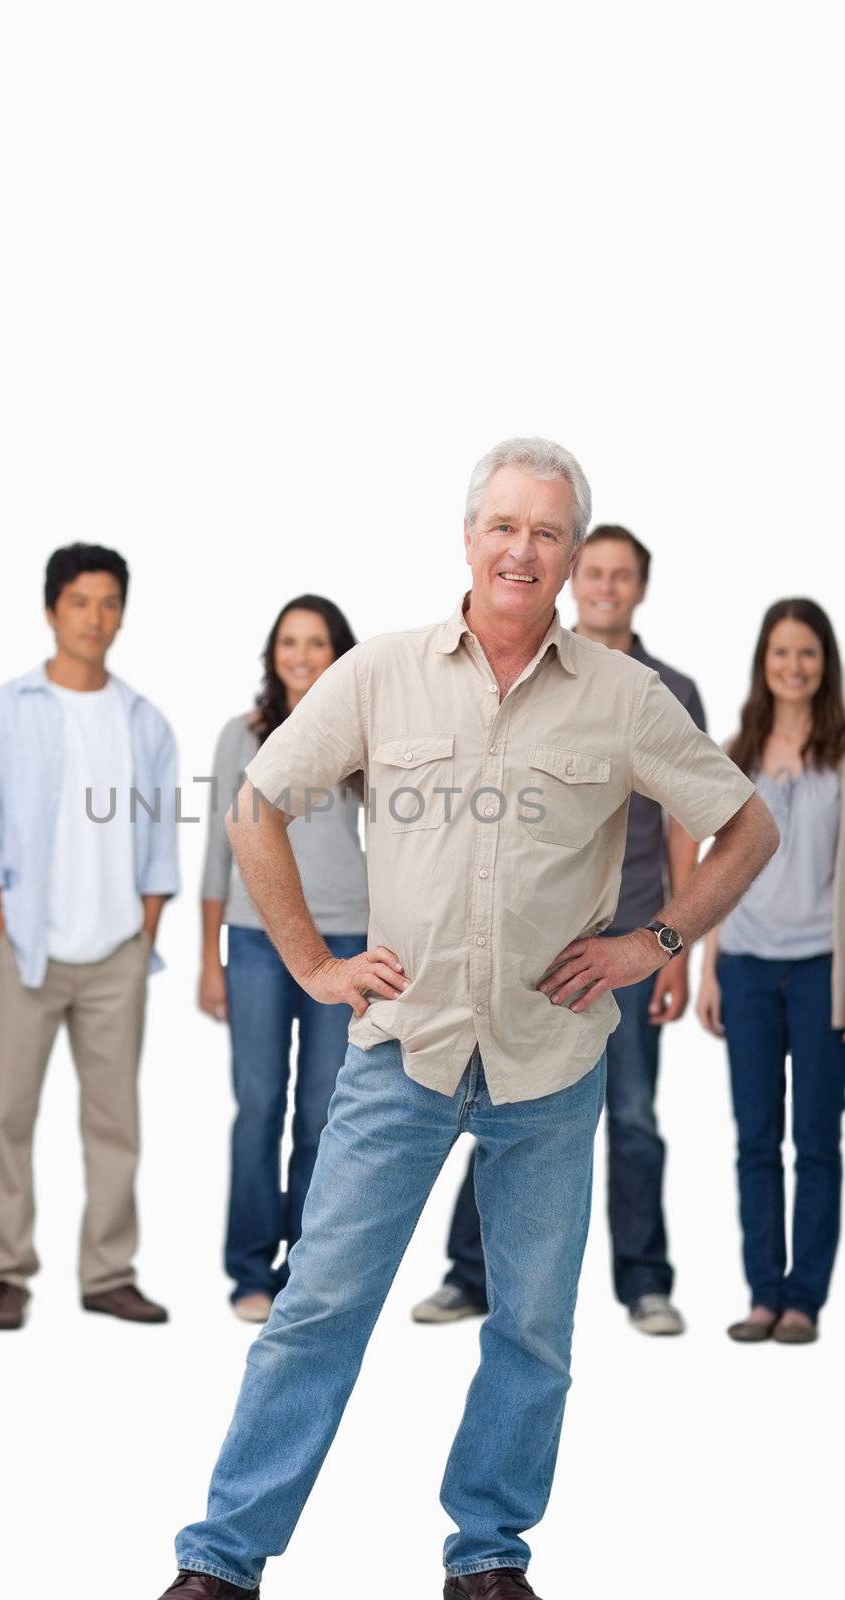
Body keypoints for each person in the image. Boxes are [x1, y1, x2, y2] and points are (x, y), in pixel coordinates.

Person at [159, 437, 775, 1599]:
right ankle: (223, 1561)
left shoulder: (622, 696)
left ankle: (486, 1553)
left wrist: (652, 938)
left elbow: (744, 824)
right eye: (502, 525)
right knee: (317, 1309)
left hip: (548, 1065)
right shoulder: (384, 671)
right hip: (402, 1051)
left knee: (533, 1331)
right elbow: (256, 805)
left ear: (572, 553)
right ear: (466, 537)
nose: (521, 549)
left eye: (545, 531)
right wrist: (310, 963)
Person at [413, 524, 704, 1336]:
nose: (607, 586)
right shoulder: (534, 679)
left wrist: (669, 947)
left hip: (631, 945)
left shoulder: (670, 687)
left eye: (623, 576)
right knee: (499, 1104)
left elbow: (691, 823)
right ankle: (469, 1276)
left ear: (639, 587)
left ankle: (645, 1282)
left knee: (636, 1117)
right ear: (576, 578)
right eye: (597, 572)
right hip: (533, 956)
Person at [0, 543, 179, 1331]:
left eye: (109, 602)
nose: (95, 617)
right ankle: (2, 1271)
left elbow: (158, 846)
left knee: (115, 1121)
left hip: (116, 952)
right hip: (27, 948)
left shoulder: (144, 723)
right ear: (52, 610)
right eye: (79, 601)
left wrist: (143, 932)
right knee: (5, 1114)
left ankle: (108, 1271)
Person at [200, 596, 369, 1323]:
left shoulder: (364, 736)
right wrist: (209, 959)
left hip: (345, 940)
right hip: (255, 941)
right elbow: (218, 847)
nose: (301, 656)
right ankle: (248, 1272)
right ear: (273, 653)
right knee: (259, 1104)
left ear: (338, 654)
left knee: (322, 1113)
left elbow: (397, 841)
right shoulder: (241, 737)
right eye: (289, 643)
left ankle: (306, 1267)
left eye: (316, 643)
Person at [697, 598, 845, 1345]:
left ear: (825, 664)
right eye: (781, 653)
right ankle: (761, 1294)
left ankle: (802, 1300)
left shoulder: (842, 753)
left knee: (817, 1139)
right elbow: (720, 870)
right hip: (748, 968)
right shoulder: (736, 754)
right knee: (754, 1138)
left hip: (822, 969)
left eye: (808, 654)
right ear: (763, 662)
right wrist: (709, 969)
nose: (793, 667)